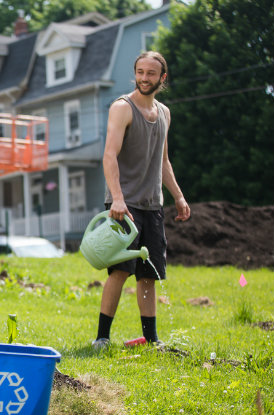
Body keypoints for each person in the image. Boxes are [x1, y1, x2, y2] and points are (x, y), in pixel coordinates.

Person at [93, 51, 191, 350]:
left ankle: (151, 339)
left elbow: (163, 161)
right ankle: (102, 337)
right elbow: (109, 156)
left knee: (149, 274)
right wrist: (118, 200)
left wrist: (178, 196)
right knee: (120, 271)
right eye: (140, 72)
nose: (144, 78)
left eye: (151, 73)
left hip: (152, 204)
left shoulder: (164, 113)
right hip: (125, 205)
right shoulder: (122, 108)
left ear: (163, 78)